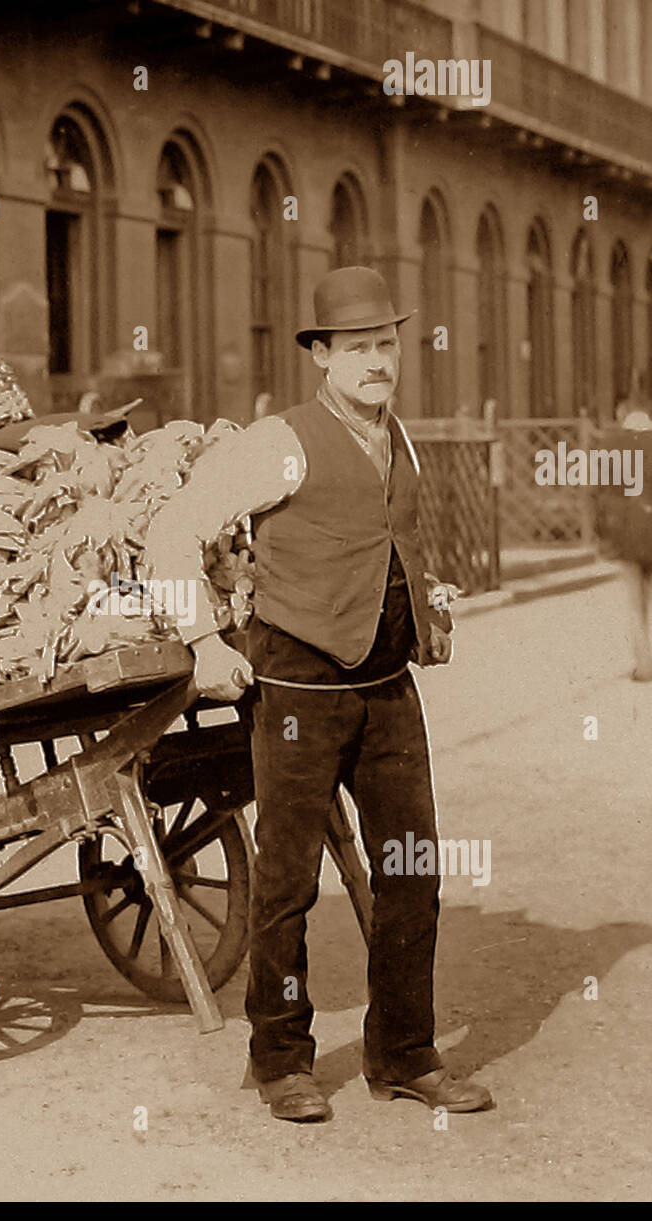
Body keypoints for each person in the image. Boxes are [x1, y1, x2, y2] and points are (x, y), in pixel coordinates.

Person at [145, 266, 493, 1122]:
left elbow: (391, 540)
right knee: (288, 881)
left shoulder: (399, 438)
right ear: (323, 356)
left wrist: (429, 605)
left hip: (386, 688)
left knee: (413, 873)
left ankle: (406, 1053)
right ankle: (281, 1060)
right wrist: (200, 640)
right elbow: (172, 531)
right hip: (298, 685)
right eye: (358, 348)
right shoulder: (280, 441)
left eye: (387, 344)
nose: (378, 361)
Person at [597, 409, 652, 681]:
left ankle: (643, 656)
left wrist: (603, 533)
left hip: (625, 529)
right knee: (645, 592)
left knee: (634, 593)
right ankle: (644, 650)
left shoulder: (612, 449)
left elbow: (602, 493)